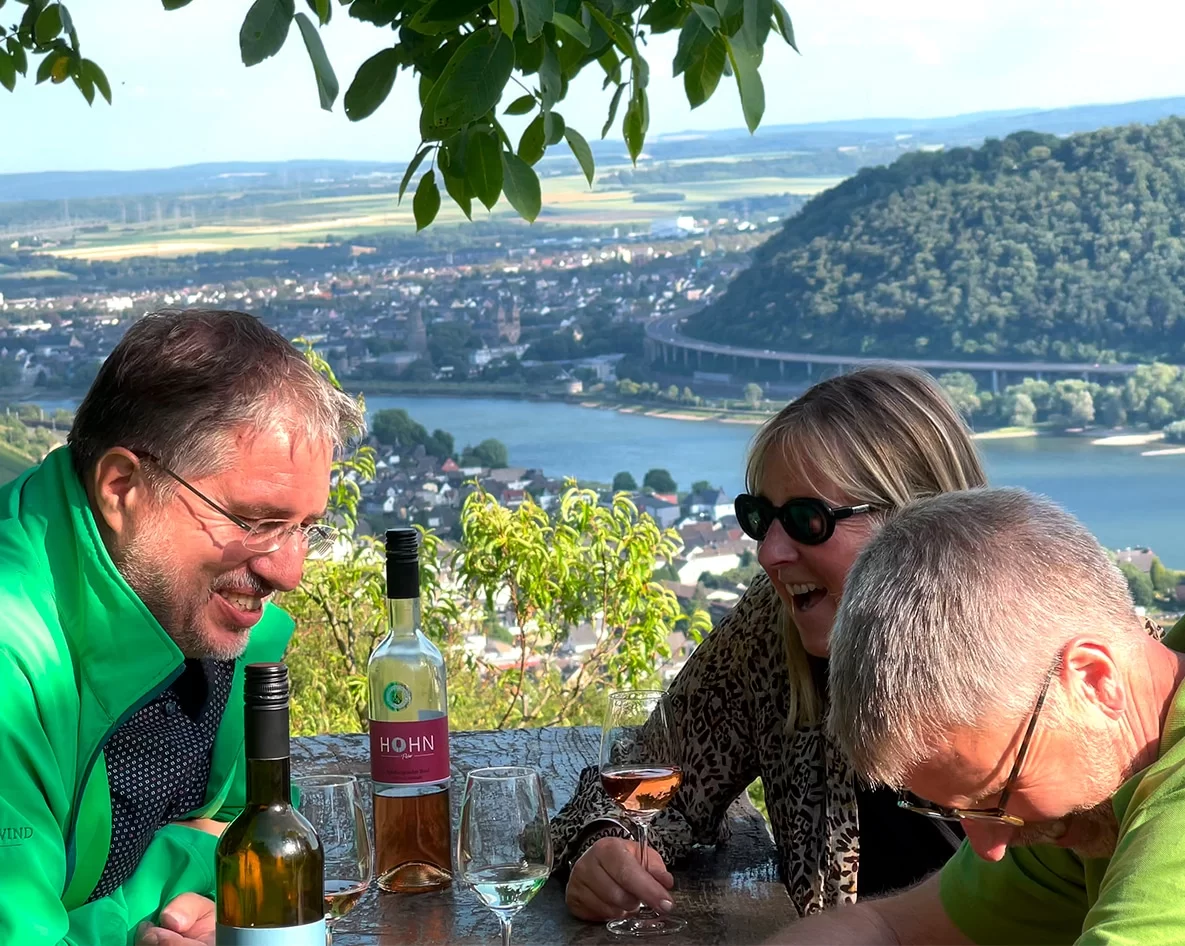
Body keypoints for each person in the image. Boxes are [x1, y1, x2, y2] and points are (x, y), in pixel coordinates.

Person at [552, 365, 987, 922]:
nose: (769, 553)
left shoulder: (1035, 663)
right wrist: (605, 849)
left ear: (919, 520)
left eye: (807, 520)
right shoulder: (772, 630)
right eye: (761, 518)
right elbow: (649, 781)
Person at [0, 309, 363, 946]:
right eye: (254, 521)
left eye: (305, 528)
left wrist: (206, 893)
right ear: (122, 488)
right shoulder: (14, 669)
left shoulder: (197, 610)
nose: (289, 573)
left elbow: (246, 825)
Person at [779, 486, 1185, 945]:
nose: (989, 849)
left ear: (1094, 680)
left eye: (997, 794)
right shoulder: (1085, 795)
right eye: (952, 811)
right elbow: (886, 929)